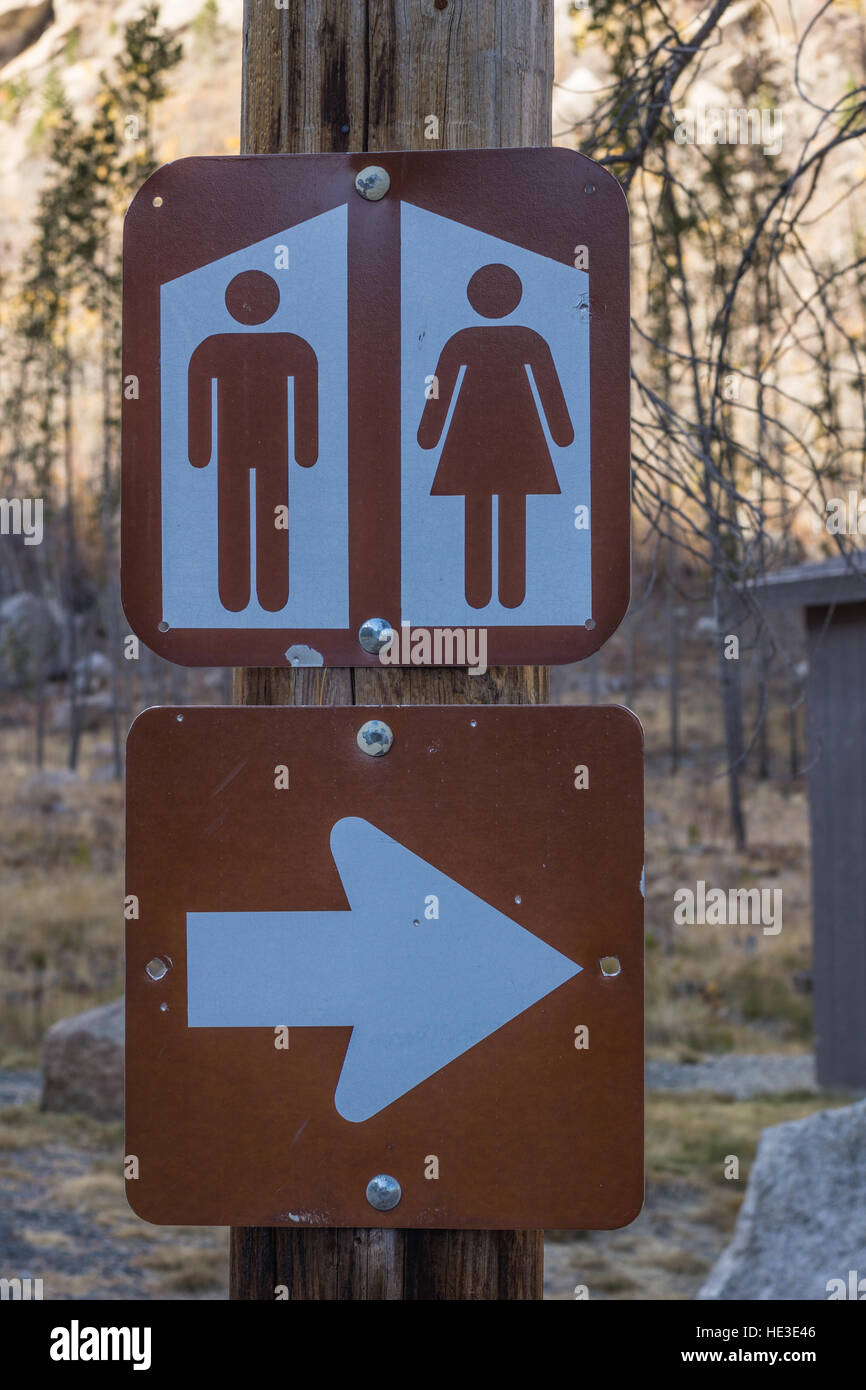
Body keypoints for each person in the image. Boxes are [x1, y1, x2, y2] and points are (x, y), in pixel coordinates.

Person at [418, 262, 574, 609]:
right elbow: (440, 389)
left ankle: (490, 593)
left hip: (480, 438)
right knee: (506, 510)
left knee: (484, 510)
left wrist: (429, 432)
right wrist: (561, 432)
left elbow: (438, 391)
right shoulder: (524, 339)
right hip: (513, 438)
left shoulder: (466, 340)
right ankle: (502, 592)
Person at [187, 269, 318, 612]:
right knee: (247, 516)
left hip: (266, 450)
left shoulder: (288, 346)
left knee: (259, 515)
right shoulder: (217, 348)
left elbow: (306, 397)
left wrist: (306, 449)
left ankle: (269, 594)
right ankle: (238, 595)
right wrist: (199, 451)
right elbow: (198, 399)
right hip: (248, 451)